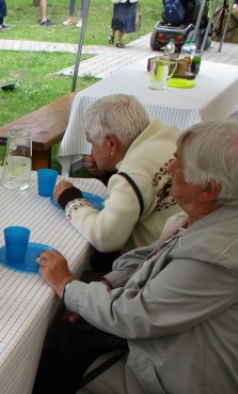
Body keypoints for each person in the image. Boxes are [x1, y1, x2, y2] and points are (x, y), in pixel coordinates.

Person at [11, 119, 238, 394]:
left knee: (56, 368)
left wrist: (67, 286)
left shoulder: (219, 256)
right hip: (187, 344)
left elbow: (132, 316)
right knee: (66, 342)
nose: (171, 169)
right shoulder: (232, 209)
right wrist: (107, 279)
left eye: (181, 165)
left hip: (193, 384)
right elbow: (153, 254)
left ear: (210, 188)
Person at [53, 94, 183, 272]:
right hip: (182, 249)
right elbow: (142, 191)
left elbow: (104, 238)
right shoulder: (169, 137)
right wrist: (110, 172)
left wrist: (70, 200)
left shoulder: (134, 172)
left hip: (151, 268)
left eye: (92, 144)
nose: (92, 152)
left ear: (111, 143)